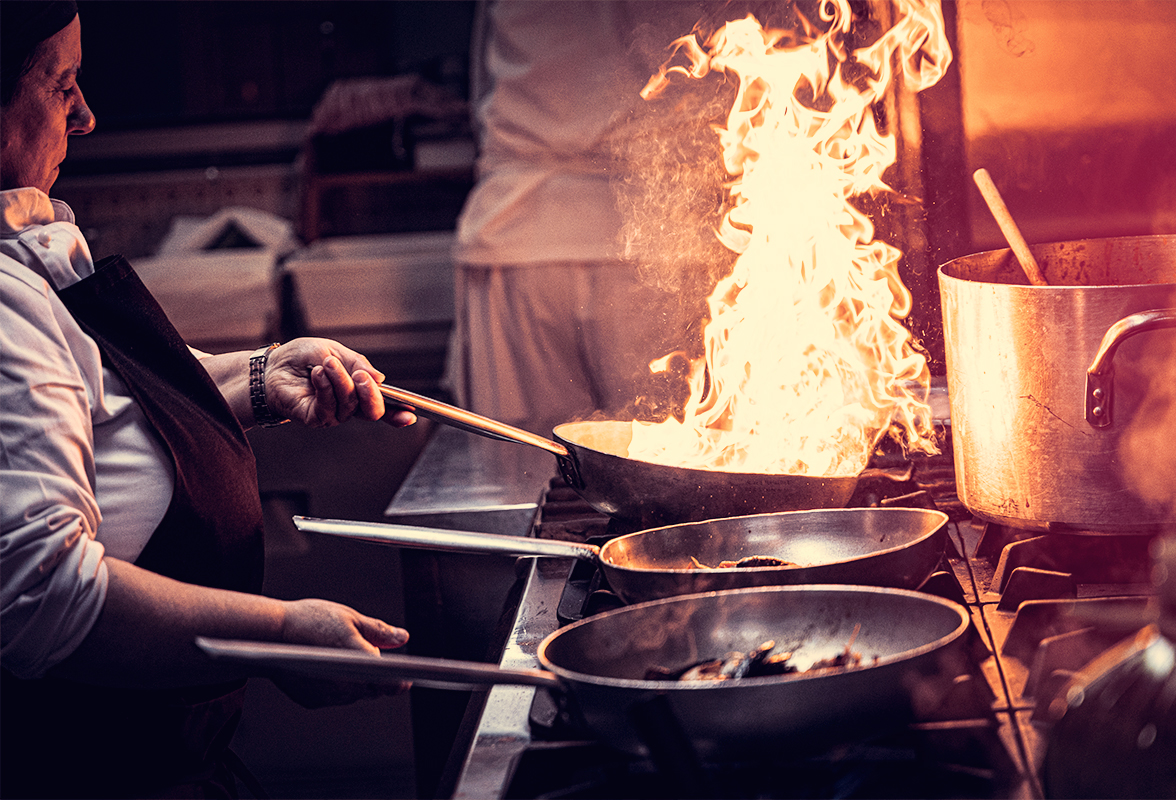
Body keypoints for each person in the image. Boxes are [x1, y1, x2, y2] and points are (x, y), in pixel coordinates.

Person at [0, 3, 418, 797]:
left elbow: (120, 407)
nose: (85, 116)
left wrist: (264, 376)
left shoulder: (26, 248)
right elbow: (39, 594)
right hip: (92, 772)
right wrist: (282, 633)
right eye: (60, 86)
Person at [449, 0, 714, 437]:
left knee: (523, 463)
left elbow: (482, 85)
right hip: (663, 235)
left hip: (522, 227)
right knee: (676, 458)